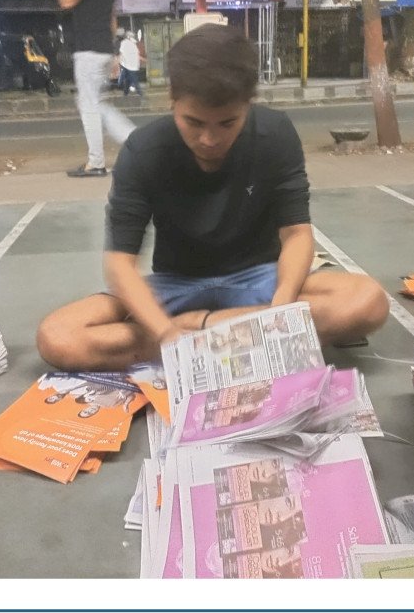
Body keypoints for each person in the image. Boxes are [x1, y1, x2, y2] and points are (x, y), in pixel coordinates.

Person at [36, 24, 389, 371]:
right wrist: (165, 331)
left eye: (227, 123)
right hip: (175, 286)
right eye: (194, 122)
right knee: (58, 336)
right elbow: (119, 265)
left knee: (368, 301)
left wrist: (280, 310)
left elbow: (297, 234)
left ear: (248, 104)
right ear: (172, 98)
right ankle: (230, 335)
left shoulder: (275, 135)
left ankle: (200, 332)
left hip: (260, 279)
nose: (209, 139)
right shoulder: (143, 152)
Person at [46, 0, 135, 178]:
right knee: (97, 103)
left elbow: (66, 0)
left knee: (89, 105)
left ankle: (97, 162)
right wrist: (113, 50)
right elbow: (112, 13)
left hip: (89, 48)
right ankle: (137, 143)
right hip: (102, 46)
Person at [119, 30, 145, 96]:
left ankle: (128, 93)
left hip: (128, 65)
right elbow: (136, 54)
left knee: (129, 79)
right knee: (131, 79)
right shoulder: (131, 43)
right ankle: (133, 93)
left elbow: (122, 53)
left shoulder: (125, 43)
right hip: (131, 65)